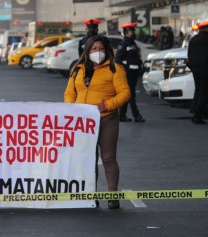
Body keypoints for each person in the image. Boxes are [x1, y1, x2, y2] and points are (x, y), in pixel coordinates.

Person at [64, 35, 130, 209]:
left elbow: (124, 93)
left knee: (108, 158)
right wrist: (71, 109)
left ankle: (112, 196)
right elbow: (70, 92)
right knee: (88, 159)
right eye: (93, 49)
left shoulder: (115, 69)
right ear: (87, 51)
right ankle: (90, 196)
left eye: (100, 49)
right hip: (83, 122)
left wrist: (106, 105)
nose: (97, 52)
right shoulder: (77, 69)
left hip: (106, 118)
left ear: (107, 50)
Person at [115, 23, 145, 122]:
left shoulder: (133, 44)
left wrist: (140, 67)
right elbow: (118, 59)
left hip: (134, 73)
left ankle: (122, 115)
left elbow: (136, 58)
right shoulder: (123, 44)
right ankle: (136, 115)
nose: (133, 33)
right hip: (127, 73)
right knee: (131, 94)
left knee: (129, 94)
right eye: (131, 32)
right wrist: (125, 68)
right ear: (126, 33)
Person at [187, 20, 208, 124]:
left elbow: (189, 54)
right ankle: (197, 116)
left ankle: (194, 109)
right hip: (207, 68)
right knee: (204, 92)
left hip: (195, 68)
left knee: (198, 89)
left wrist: (192, 66)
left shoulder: (193, 39)